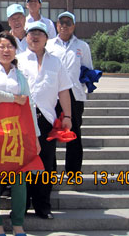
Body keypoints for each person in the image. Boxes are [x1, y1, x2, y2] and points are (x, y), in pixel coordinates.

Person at [0, 31, 40, 236]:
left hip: (15, 133)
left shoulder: (20, 75)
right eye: (1, 46)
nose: (6, 50)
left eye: (10, 47)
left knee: (19, 179)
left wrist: (35, 136)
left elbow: (29, 106)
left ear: (15, 50)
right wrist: (13, 98)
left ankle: (18, 223)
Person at [18, 21, 72, 220]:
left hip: (46, 119)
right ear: (26, 37)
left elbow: (64, 90)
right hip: (22, 120)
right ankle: (21, 205)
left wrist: (67, 116)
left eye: (39, 33)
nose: (35, 37)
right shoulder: (17, 60)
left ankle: (43, 206)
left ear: (47, 38)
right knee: (22, 164)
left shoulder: (56, 62)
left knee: (45, 165)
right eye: (31, 33)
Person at [46, 11, 93, 173]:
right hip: (52, 95)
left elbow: (88, 70)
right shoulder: (49, 45)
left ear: (73, 26)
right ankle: (50, 170)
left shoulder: (82, 46)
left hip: (74, 95)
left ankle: (73, 171)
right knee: (50, 132)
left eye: (68, 23)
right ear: (57, 25)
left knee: (74, 132)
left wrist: (82, 86)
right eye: (62, 23)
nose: (64, 26)